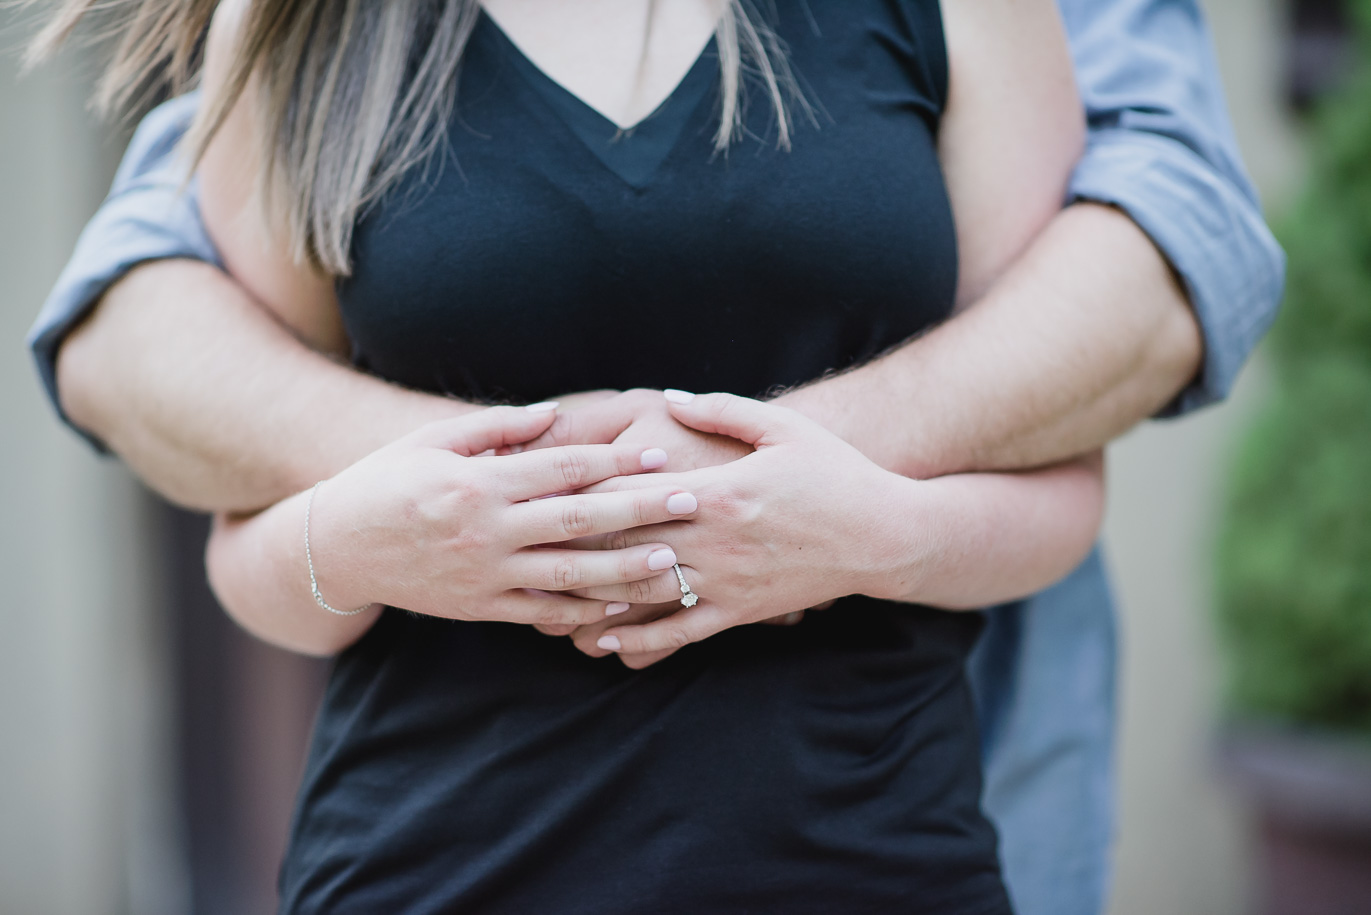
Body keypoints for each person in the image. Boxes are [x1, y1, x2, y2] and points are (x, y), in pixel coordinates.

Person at [25, 1, 1284, 913]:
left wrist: (860, 529)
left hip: (868, 854)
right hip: (429, 863)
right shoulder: (304, 27)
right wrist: (397, 525)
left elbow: (1057, 479)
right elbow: (253, 541)